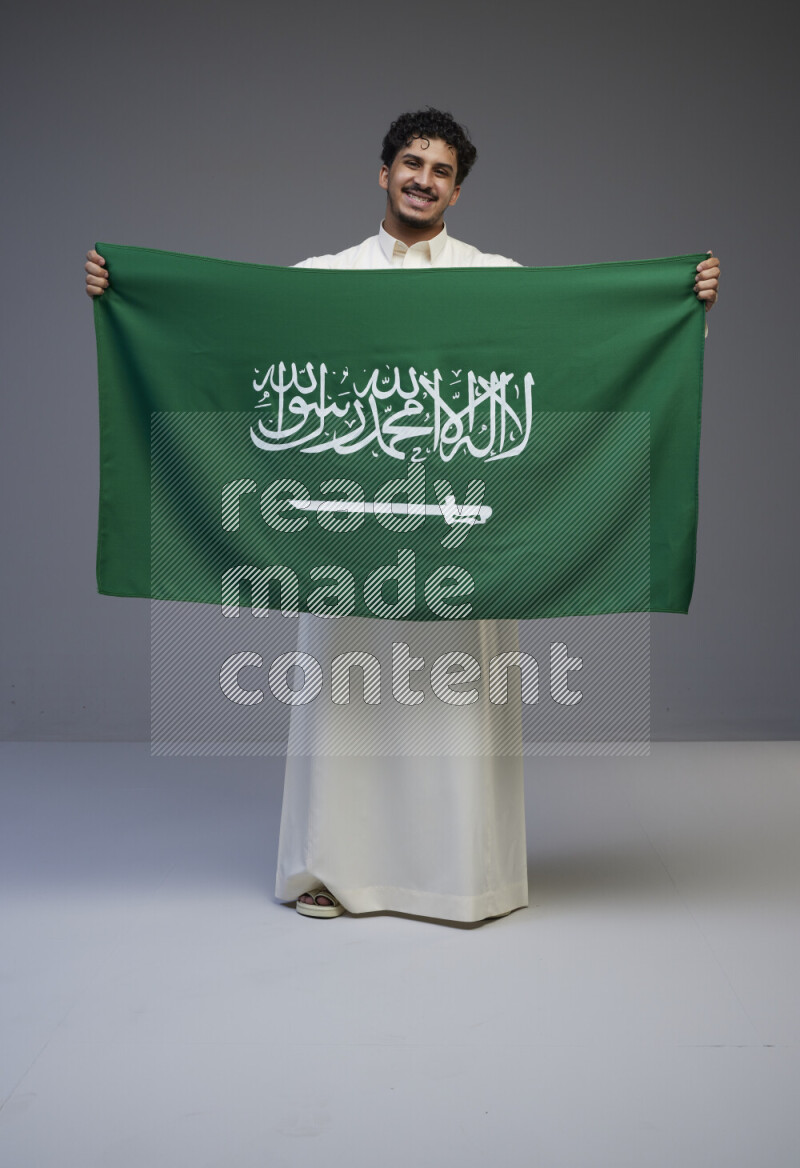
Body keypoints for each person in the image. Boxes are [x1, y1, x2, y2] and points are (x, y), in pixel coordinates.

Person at [86, 109, 721, 923]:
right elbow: (231, 349)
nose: (425, 179)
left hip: (463, 542)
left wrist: (682, 305)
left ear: (459, 188)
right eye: (412, 163)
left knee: (454, 705)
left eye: (442, 170)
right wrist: (126, 297)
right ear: (383, 173)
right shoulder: (322, 278)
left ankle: (460, 875)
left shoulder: (496, 280)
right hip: (347, 542)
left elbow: (583, 355)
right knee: (344, 709)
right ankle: (328, 871)